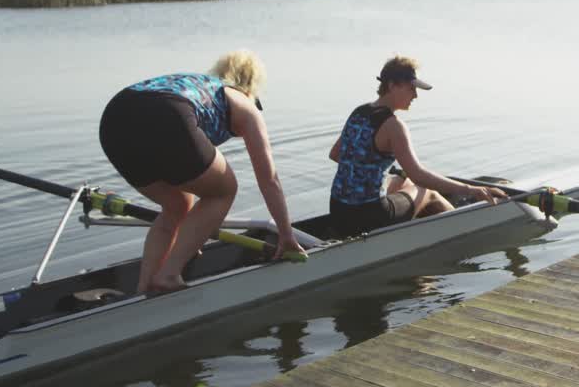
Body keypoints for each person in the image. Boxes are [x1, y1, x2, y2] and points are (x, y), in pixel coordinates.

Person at [99, 50, 305, 294]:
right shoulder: (243, 103)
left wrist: (191, 237)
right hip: (165, 114)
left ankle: (144, 287)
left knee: (177, 205)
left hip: (115, 119)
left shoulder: (200, 85)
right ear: (250, 88)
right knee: (224, 191)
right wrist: (286, 234)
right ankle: (169, 274)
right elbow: (269, 179)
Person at [328, 55, 506, 236]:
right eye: (411, 88)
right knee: (425, 190)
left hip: (338, 212)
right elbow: (419, 176)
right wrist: (471, 189)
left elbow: (336, 154)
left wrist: (377, 173)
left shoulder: (359, 112)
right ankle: (464, 232)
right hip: (369, 218)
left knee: (401, 180)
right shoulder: (394, 126)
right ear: (392, 85)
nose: (415, 95)